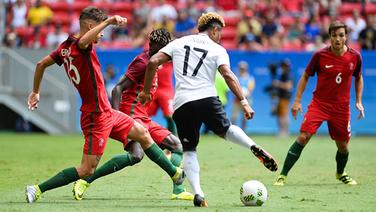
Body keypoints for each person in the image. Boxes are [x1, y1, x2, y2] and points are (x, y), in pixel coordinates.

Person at [25, 7, 184, 203]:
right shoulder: (80, 46)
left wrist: (35, 91)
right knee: (86, 169)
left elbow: (41, 64)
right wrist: (109, 22)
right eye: (99, 30)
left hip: (108, 111)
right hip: (95, 116)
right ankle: (37, 189)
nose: (101, 35)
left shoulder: (63, 48)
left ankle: (176, 176)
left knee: (142, 134)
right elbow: (83, 41)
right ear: (91, 26)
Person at [138, 12, 278, 207]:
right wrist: (244, 101)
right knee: (226, 129)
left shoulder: (179, 42)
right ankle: (252, 146)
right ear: (214, 30)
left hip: (182, 103)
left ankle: (198, 193)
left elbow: (152, 62)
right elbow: (228, 75)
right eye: (220, 32)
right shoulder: (217, 48)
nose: (220, 36)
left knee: (189, 150)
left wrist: (145, 92)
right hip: (207, 98)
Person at [72, 28, 193, 201]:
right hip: (130, 114)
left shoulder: (155, 60)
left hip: (143, 116)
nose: (168, 51)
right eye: (165, 46)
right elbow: (117, 89)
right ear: (157, 46)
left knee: (176, 145)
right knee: (137, 155)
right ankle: (86, 180)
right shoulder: (143, 63)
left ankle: (178, 190)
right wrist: (115, 116)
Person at [274, 21, 365, 186]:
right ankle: (283, 175)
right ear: (329, 36)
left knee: (343, 146)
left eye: (341, 35)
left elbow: (358, 78)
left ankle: (340, 173)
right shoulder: (320, 55)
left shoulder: (355, 56)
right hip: (319, 104)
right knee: (303, 137)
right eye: (334, 35)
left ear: (346, 37)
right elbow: (305, 76)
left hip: (341, 108)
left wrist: (358, 101)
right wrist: (297, 101)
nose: (337, 39)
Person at [147, 61, 176, 134]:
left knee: (169, 115)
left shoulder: (169, 60)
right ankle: (144, 134)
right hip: (152, 90)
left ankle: (173, 136)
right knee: (145, 115)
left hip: (166, 90)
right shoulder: (152, 59)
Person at [231, 61, 255, 130]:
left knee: (245, 116)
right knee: (234, 116)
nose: (242, 70)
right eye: (241, 68)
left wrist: (244, 95)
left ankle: (243, 131)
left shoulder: (250, 78)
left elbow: (250, 89)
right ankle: (233, 131)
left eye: (243, 68)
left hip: (246, 100)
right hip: (236, 100)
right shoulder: (236, 77)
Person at [274, 59, 293, 137]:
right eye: (283, 66)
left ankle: (285, 132)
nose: (284, 67)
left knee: (284, 115)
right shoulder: (282, 75)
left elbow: (289, 86)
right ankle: (282, 131)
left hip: (285, 97)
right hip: (281, 97)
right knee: (280, 115)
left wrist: (278, 84)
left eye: (285, 66)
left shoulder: (289, 74)